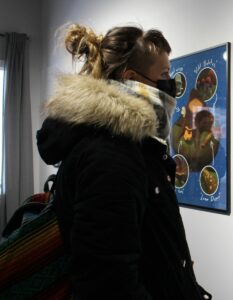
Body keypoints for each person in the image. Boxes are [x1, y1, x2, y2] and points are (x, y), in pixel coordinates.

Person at [36, 24, 211, 300]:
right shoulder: (110, 155)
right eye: (164, 74)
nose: (172, 84)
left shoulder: (127, 146)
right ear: (131, 78)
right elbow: (107, 283)